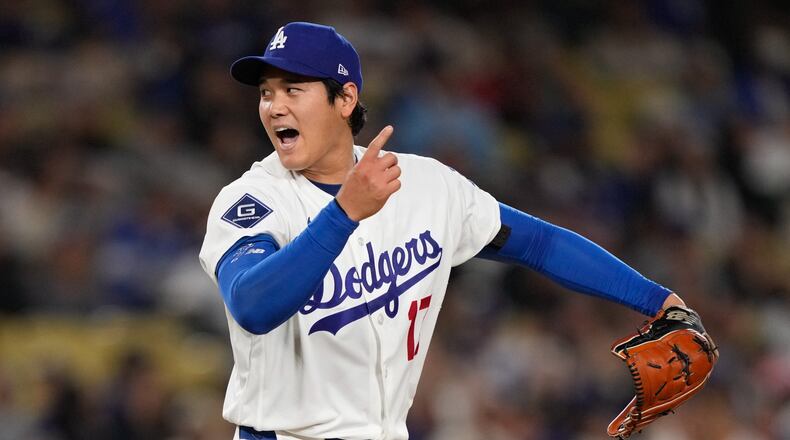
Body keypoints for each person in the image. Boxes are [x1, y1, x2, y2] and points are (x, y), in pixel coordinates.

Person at [199, 21, 688, 440]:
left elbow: (539, 243)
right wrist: (343, 214)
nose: (274, 107)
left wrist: (658, 301)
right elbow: (252, 306)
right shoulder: (252, 201)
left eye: (292, 90)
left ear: (345, 98)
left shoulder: (426, 186)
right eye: (266, 93)